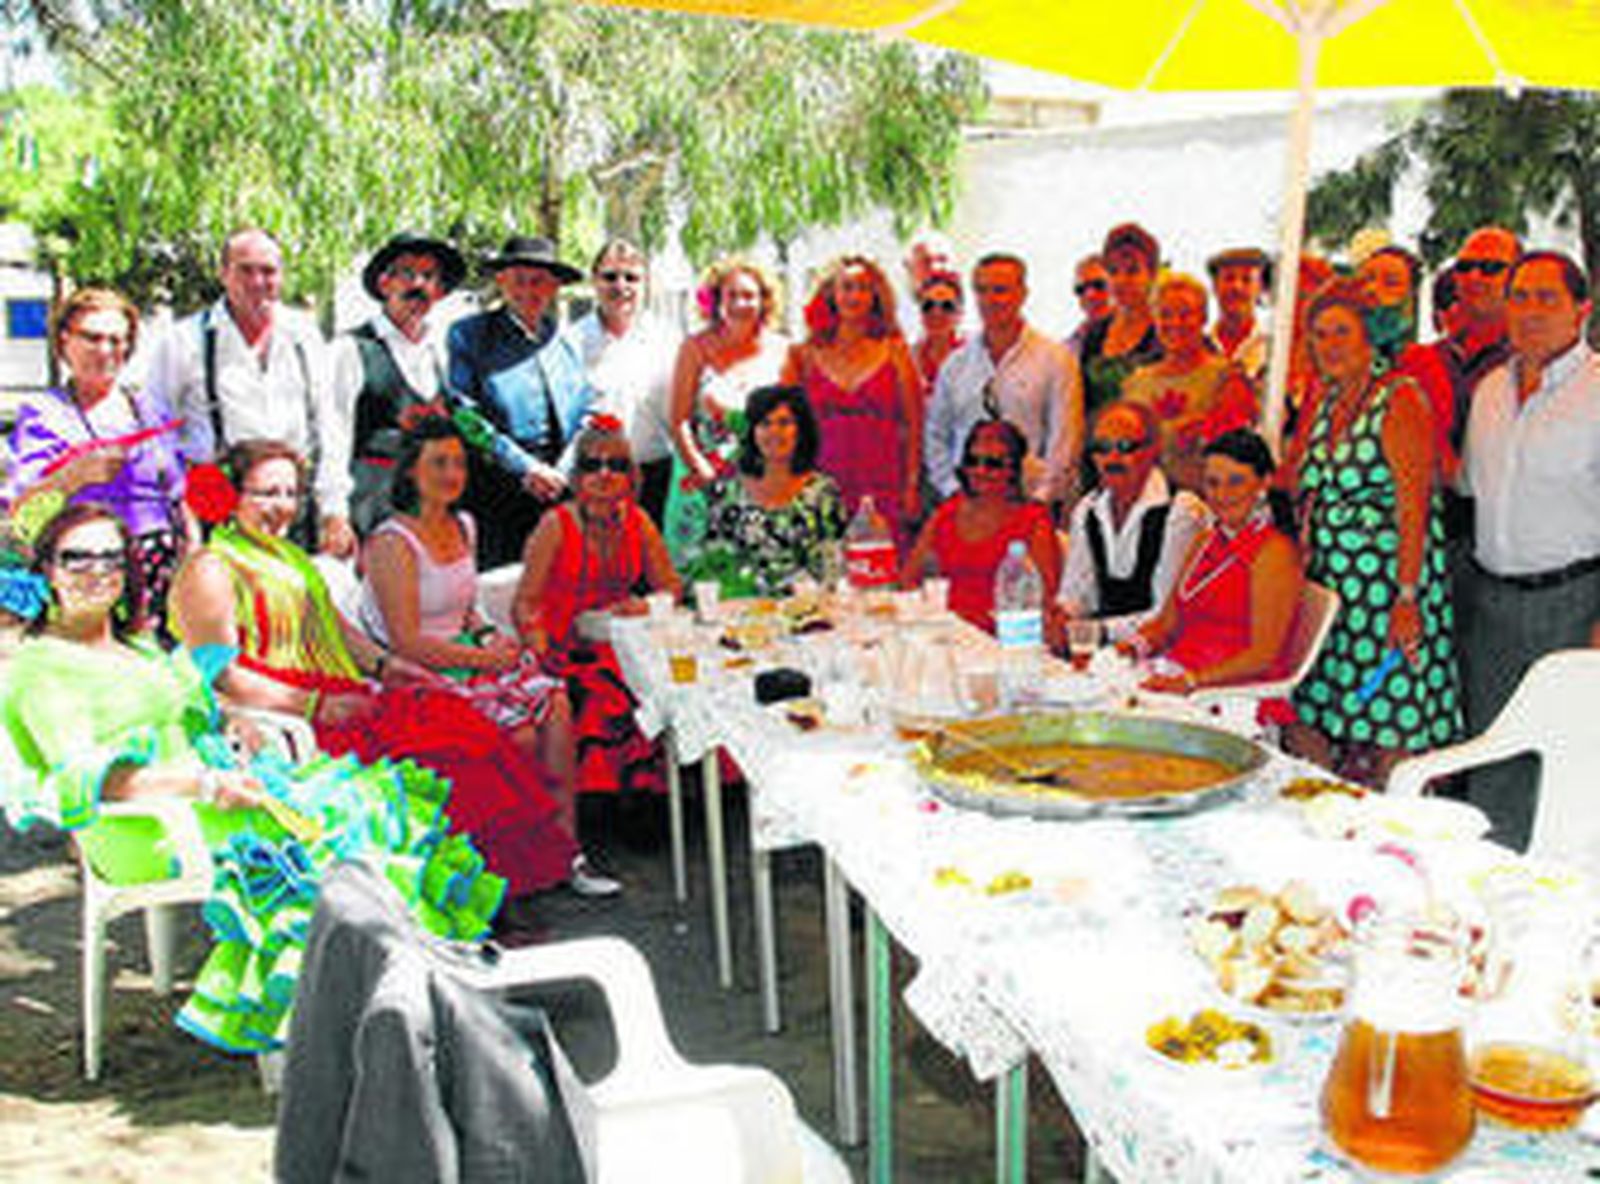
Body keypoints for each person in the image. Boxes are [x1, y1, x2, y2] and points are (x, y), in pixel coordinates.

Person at [1, 502, 504, 1054]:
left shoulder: (135, 644)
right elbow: (92, 780)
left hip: (216, 792)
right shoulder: (40, 666)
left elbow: (187, 704)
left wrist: (228, 717)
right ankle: (348, 1021)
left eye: (110, 557)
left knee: (386, 806)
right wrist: (204, 783)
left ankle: (397, 996)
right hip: (146, 827)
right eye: (77, 558)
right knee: (343, 837)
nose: (97, 571)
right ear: (47, 570)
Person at [169, 439, 586, 900]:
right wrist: (318, 704)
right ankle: (458, 896)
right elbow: (223, 677)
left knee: (463, 723)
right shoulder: (211, 567)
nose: (281, 507)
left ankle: (495, 886)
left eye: (290, 494)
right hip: (287, 715)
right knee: (443, 754)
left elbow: (339, 630)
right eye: (266, 493)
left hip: (339, 690)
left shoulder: (288, 557)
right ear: (232, 496)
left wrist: (391, 667)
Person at [356, 414, 617, 894]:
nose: (451, 474)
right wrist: (485, 660)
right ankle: (514, 870)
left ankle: (566, 853)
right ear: (411, 471)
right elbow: (406, 639)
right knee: (517, 734)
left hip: (470, 660)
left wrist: (490, 637)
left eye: (457, 463)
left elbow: (468, 610)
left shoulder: (464, 525)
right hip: (420, 673)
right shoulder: (393, 541)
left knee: (555, 703)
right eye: (438, 463)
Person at [1283, 277, 1462, 785]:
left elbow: (1415, 506)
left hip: (1387, 587)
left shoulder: (1400, 396)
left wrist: (1407, 597)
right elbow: (1300, 485)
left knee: (1388, 722)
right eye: (1319, 334)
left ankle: (1398, 833)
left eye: (1342, 332)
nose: (1329, 345)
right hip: (1332, 589)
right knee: (1317, 713)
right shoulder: (1325, 399)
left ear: (1369, 337)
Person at [1458, 250, 1600, 847]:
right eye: (1520, 296)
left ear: (1582, 310)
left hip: (1572, 604)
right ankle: (1490, 895)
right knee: (1493, 758)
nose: (1531, 311)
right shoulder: (1491, 388)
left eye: (1548, 298)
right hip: (1489, 605)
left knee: (1567, 763)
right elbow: (1468, 487)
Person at [143, 227, 352, 557]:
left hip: (292, 505)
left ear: (282, 276)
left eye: (268, 271)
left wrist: (334, 508)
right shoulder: (184, 340)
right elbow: (155, 427)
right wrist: (182, 502)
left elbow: (330, 425)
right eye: (245, 270)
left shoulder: (304, 336)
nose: (258, 282)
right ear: (223, 274)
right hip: (218, 504)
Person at [515, 426, 680, 798]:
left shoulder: (638, 521)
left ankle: (648, 791)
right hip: (561, 645)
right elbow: (526, 603)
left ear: (632, 476)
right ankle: (614, 794)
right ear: (577, 475)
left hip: (619, 639)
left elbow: (671, 588)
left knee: (654, 672)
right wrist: (540, 655)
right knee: (607, 683)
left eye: (617, 465)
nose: (604, 475)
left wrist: (644, 605)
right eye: (593, 465)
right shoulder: (555, 524)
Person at [6, 288, 189, 622]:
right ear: (64, 342)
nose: (105, 351)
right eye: (92, 338)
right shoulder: (45, 414)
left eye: (117, 341)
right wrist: (74, 475)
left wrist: (192, 567)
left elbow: (179, 499)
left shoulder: (150, 411)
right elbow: (20, 510)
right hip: (89, 569)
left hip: (159, 574)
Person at [446, 235, 595, 567]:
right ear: (501, 281)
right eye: (519, 280)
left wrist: (564, 469)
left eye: (540, 281)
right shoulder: (469, 335)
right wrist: (526, 468)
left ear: (555, 286)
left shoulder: (564, 339)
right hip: (499, 492)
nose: (529, 290)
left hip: (561, 490)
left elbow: (588, 411)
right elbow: (463, 414)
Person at [1127, 430, 1302, 694]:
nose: (1222, 494)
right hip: (1178, 673)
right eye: (1212, 483)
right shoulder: (1205, 539)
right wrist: (1131, 647)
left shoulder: (1273, 552)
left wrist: (1189, 682)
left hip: (1230, 692)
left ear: (1264, 482)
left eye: (1236, 481)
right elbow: (1167, 625)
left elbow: (1262, 656)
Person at [334, 231, 466, 535]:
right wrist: (334, 512)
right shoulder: (351, 349)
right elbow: (334, 436)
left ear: (440, 290)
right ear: (384, 283)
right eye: (407, 273)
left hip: (428, 508)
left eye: (429, 276)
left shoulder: (440, 351)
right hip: (369, 507)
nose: (418, 284)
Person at [925, 253, 1082, 508]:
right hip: (965, 506)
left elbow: (1065, 442)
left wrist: (1040, 501)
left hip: (1030, 503)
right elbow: (935, 436)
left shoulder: (1056, 359)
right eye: (982, 290)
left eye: (1000, 290)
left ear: (1022, 294)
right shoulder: (955, 365)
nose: (990, 300)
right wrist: (952, 492)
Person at [782, 256, 922, 539]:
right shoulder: (803, 356)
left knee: (883, 570)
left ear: (876, 296)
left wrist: (911, 485)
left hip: (884, 484)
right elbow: (786, 427)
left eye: (863, 288)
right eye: (846, 287)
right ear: (831, 295)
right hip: (822, 483)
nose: (854, 295)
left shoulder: (895, 351)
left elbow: (913, 425)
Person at [662, 257, 788, 565]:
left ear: (764, 301)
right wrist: (699, 467)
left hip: (763, 480)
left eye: (749, 295)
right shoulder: (695, 348)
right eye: (731, 295)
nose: (740, 304)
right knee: (699, 575)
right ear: (717, 300)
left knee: (759, 576)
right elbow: (678, 419)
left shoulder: (784, 351)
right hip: (701, 478)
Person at [1059, 401, 1209, 641]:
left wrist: (1096, 631)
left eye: (1126, 447)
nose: (1112, 458)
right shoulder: (1087, 510)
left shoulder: (1180, 512)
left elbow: (1166, 615)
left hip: (1168, 649)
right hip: (1106, 649)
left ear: (1153, 450)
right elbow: (1078, 593)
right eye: (1102, 448)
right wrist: (1060, 616)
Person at [902, 419, 1060, 634]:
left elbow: (1047, 602)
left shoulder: (1034, 521)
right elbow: (908, 578)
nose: (980, 470)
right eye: (972, 461)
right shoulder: (948, 511)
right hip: (944, 632)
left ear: (1013, 470)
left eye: (992, 464)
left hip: (1002, 637)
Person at [567, 239, 680, 526]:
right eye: (610, 277)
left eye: (631, 277)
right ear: (594, 281)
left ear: (645, 284)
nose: (621, 286)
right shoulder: (570, 342)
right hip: (593, 479)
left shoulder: (669, 340)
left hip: (655, 476)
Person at [692, 385, 846, 598]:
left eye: (784, 423)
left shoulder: (823, 492)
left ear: (801, 431)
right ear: (752, 432)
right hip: (743, 614)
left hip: (809, 613)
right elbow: (714, 563)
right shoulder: (728, 491)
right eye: (764, 423)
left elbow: (834, 567)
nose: (774, 432)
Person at [1122, 273, 1258, 492]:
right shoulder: (1136, 382)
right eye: (1165, 314)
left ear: (1204, 317)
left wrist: (1206, 428)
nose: (1175, 323)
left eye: (1185, 314)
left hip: (1207, 505)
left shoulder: (1227, 376)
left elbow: (1240, 453)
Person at [1078, 222, 1163, 417]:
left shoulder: (1167, 331)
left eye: (1132, 271)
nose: (1122, 280)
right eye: (1114, 271)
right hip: (1095, 442)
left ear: (1152, 274)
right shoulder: (1095, 333)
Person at [1206, 247, 1271, 381]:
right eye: (1229, 278)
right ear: (1214, 285)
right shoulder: (1198, 345)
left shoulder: (1272, 347)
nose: (1236, 287)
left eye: (1247, 280)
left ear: (1261, 288)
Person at [911, 270, 966, 390]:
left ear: (959, 314)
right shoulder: (908, 360)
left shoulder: (972, 357)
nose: (936, 313)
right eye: (928, 306)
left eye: (947, 306)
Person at [1065, 254, 1113, 359]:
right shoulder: (1067, 350)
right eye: (1081, 289)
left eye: (1099, 285)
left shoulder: (1150, 337)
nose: (1090, 295)